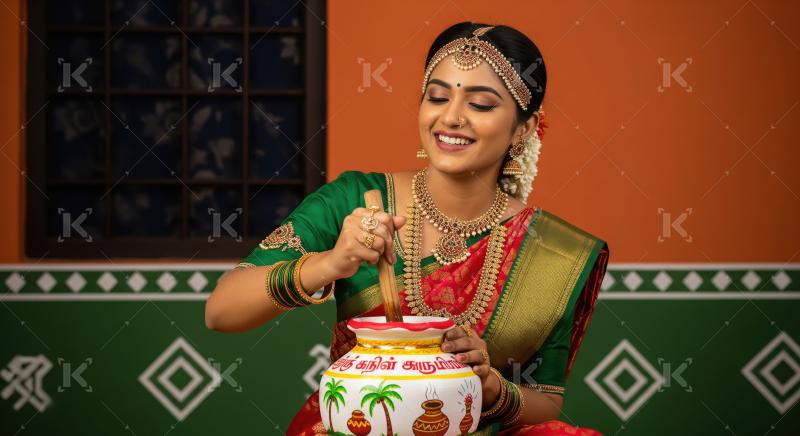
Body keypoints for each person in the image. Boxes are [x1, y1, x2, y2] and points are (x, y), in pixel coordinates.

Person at [205, 22, 609, 435]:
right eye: (437, 97)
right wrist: (329, 264)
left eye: (481, 104)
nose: (450, 117)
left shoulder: (554, 251)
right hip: (362, 424)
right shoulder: (355, 200)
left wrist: (492, 388)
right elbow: (221, 310)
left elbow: (546, 398)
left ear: (523, 129)